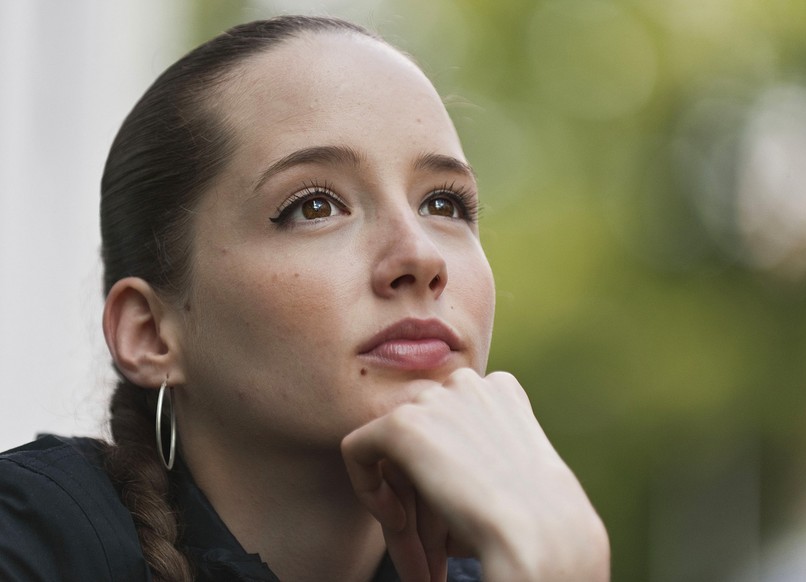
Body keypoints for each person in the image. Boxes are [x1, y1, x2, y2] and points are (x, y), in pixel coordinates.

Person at [0, 15, 609, 582]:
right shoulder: (30, 539)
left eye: (443, 204)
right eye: (314, 205)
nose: (422, 257)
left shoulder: (513, 562)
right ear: (151, 332)